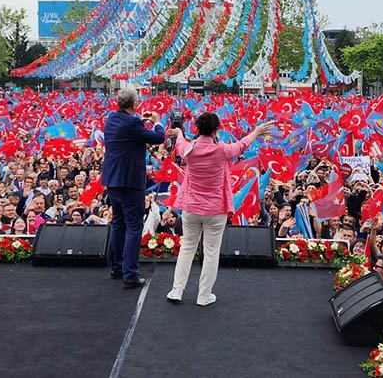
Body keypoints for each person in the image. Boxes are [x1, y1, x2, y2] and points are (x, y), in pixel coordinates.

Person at [164, 114, 273, 306]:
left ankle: (177, 290)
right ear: (216, 131)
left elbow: (180, 142)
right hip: (215, 210)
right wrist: (257, 131)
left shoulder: (189, 149)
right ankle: (203, 295)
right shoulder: (222, 150)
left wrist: (179, 132)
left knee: (187, 248)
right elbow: (242, 145)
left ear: (197, 129)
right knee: (211, 252)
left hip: (191, 208)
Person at [102, 87, 166, 289]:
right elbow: (159, 138)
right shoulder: (133, 123)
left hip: (113, 180)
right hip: (130, 181)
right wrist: (156, 122)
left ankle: (117, 267)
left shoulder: (112, 119)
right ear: (134, 104)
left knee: (119, 224)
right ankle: (130, 274)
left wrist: (141, 121)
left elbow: (131, 130)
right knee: (134, 226)